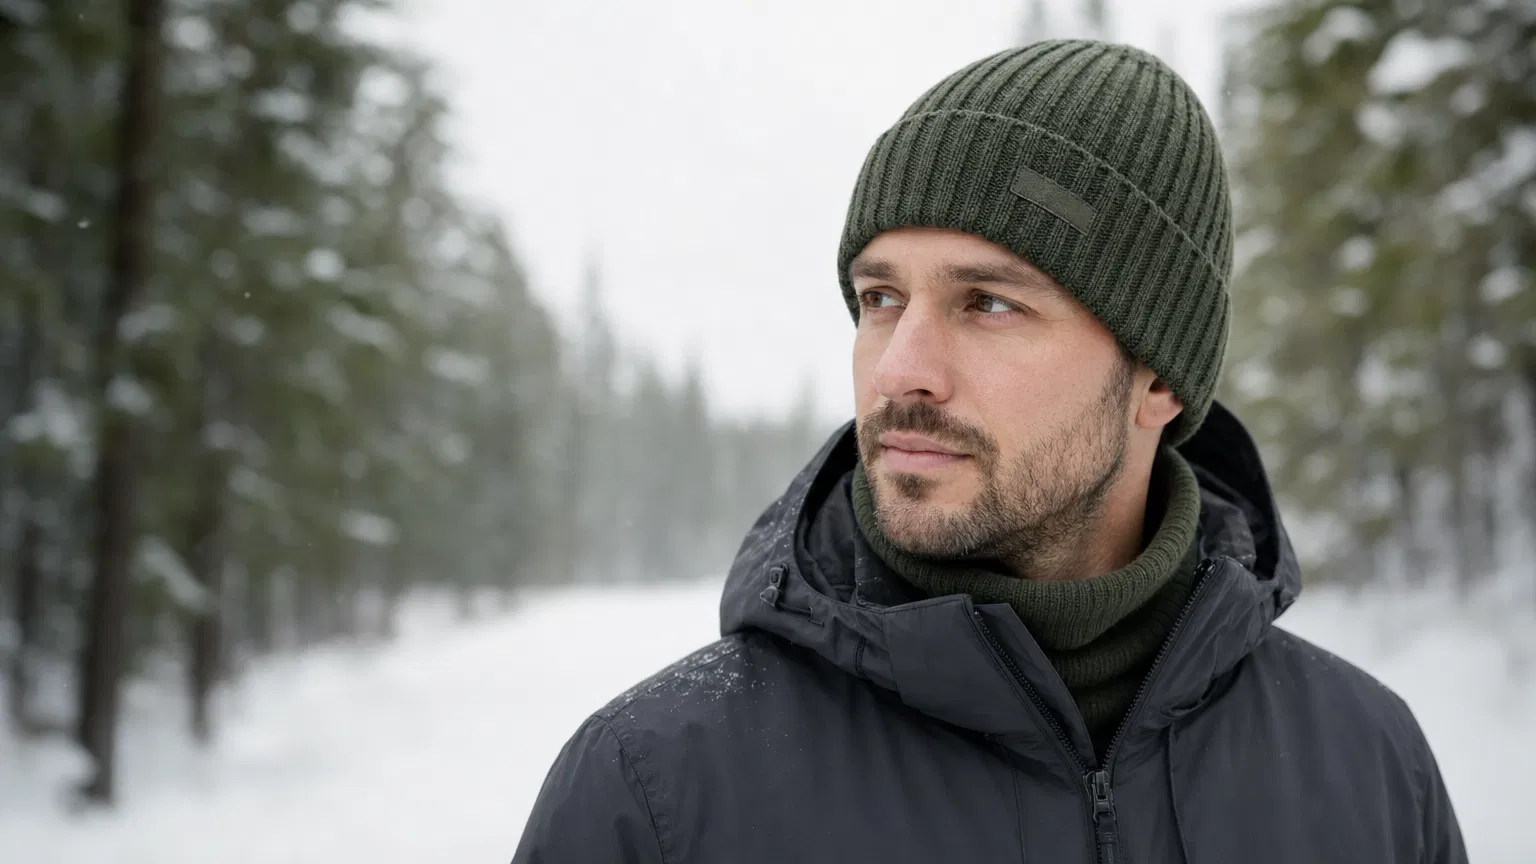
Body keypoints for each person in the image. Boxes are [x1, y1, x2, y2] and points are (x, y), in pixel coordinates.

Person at [510, 39, 1467, 864]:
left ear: (1161, 380)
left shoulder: (1368, 766)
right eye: (881, 298)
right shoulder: (661, 788)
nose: (901, 372)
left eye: (990, 303)